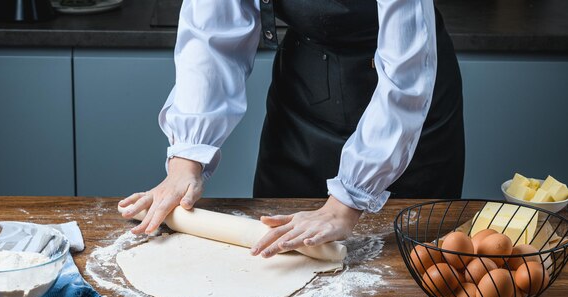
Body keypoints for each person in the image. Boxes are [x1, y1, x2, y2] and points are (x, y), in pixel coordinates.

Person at [119, 0, 464, 258]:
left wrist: (346, 204)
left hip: (407, 113)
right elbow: (212, 32)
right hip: (304, 96)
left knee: (405, 282)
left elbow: (408, 70)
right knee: (276, 254)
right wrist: (187, 157)